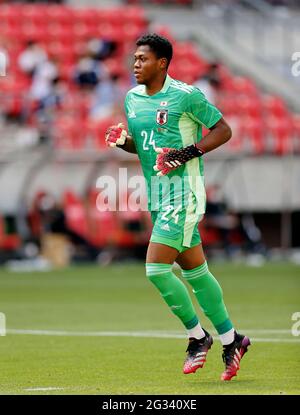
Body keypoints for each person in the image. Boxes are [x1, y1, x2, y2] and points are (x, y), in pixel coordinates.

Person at [105, 33, 250, 381]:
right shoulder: (132, 99)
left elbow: (223, 130)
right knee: (195, 272)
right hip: (157, 194)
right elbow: (145, 148)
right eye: (134, 59)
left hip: (184, 192)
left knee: (155, 269)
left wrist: (184, 154)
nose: (135, 65)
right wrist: (126, 142)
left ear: (162, 63)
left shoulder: (186, 96)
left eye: (142, 59)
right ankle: (233, 340)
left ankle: (198, 336)